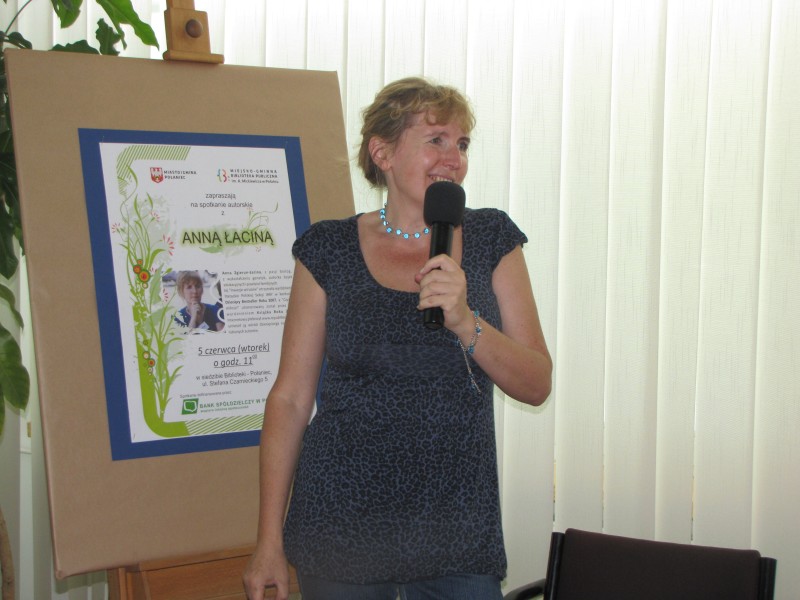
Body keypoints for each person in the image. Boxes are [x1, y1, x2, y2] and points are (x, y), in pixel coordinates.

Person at [243, 77, 552, 600]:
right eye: (436, 140)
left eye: (462, 143)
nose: (453, 158)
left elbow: (536, 383)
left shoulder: (492, 238)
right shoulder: (328, 248)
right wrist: (267, 540)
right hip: (340, 533)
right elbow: (290, 399)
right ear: (382, 152)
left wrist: (466, 322)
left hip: (457, 535)